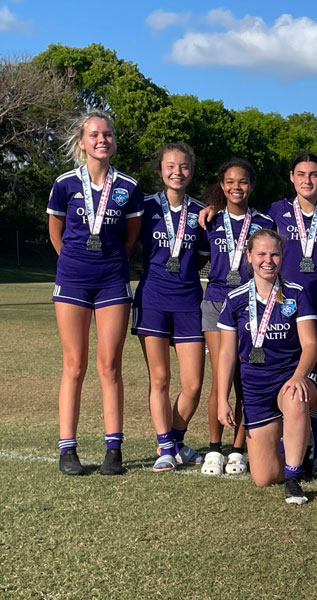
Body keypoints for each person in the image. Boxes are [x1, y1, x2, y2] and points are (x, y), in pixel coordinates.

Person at [47, 110, 143, 476]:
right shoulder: (65, 184)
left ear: (114, 141)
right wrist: (72, 262)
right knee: (74, 365)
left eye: (107, 134)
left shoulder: (129, 187)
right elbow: (55, 232)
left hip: (112, 281)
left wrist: (109, 263)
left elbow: (131, 239)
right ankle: (67, 449)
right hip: (73, 279)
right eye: (94, 135)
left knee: (110, 366)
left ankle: (113, 450)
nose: (102, 140)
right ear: (82, 142)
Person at [216, 229, 317, 503]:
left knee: (296, 397)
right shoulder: (235, 299)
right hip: (256, 387)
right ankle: (294, 448)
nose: (268, 261)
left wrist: (299, 376)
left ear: (282, 256)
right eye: (261, 254)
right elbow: (226, 354)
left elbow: (311, 345)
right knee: (265, 477)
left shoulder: (296, 293)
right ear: (249, 256)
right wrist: (222, 399)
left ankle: (294, 478)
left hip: (290, 376)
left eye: (274, 254)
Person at [132, 142, 209, 471]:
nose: (177, 172)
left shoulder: (202, 212)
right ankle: (165, 447)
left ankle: (175, 440)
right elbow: (128, 241)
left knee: (193, 385)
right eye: (171, 166)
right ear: (160, 170)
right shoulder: (145, 206)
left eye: (184, 166)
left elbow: (202, 257)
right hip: (152, 300)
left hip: (189, 302)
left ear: (191, 171)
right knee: (160, 379)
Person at [268, 152, 317, 477]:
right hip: (286, 305)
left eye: (314, 174)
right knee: (288, 377)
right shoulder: (276, 211)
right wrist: (213, 206)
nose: (307, 180)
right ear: (291, 177)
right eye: (301, 174)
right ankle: (290, 449)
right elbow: (242, 221)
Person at [200, 159, 274, 476]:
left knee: (246, 380)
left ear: (251, 185)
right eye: (230, 182)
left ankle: (237, 449)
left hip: (250, 305)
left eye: (242, 181)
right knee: (221, 377)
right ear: (222, 185)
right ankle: (214, 449)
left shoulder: (264, 222)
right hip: (216, 302)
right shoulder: (210, 219)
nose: (236, 187)